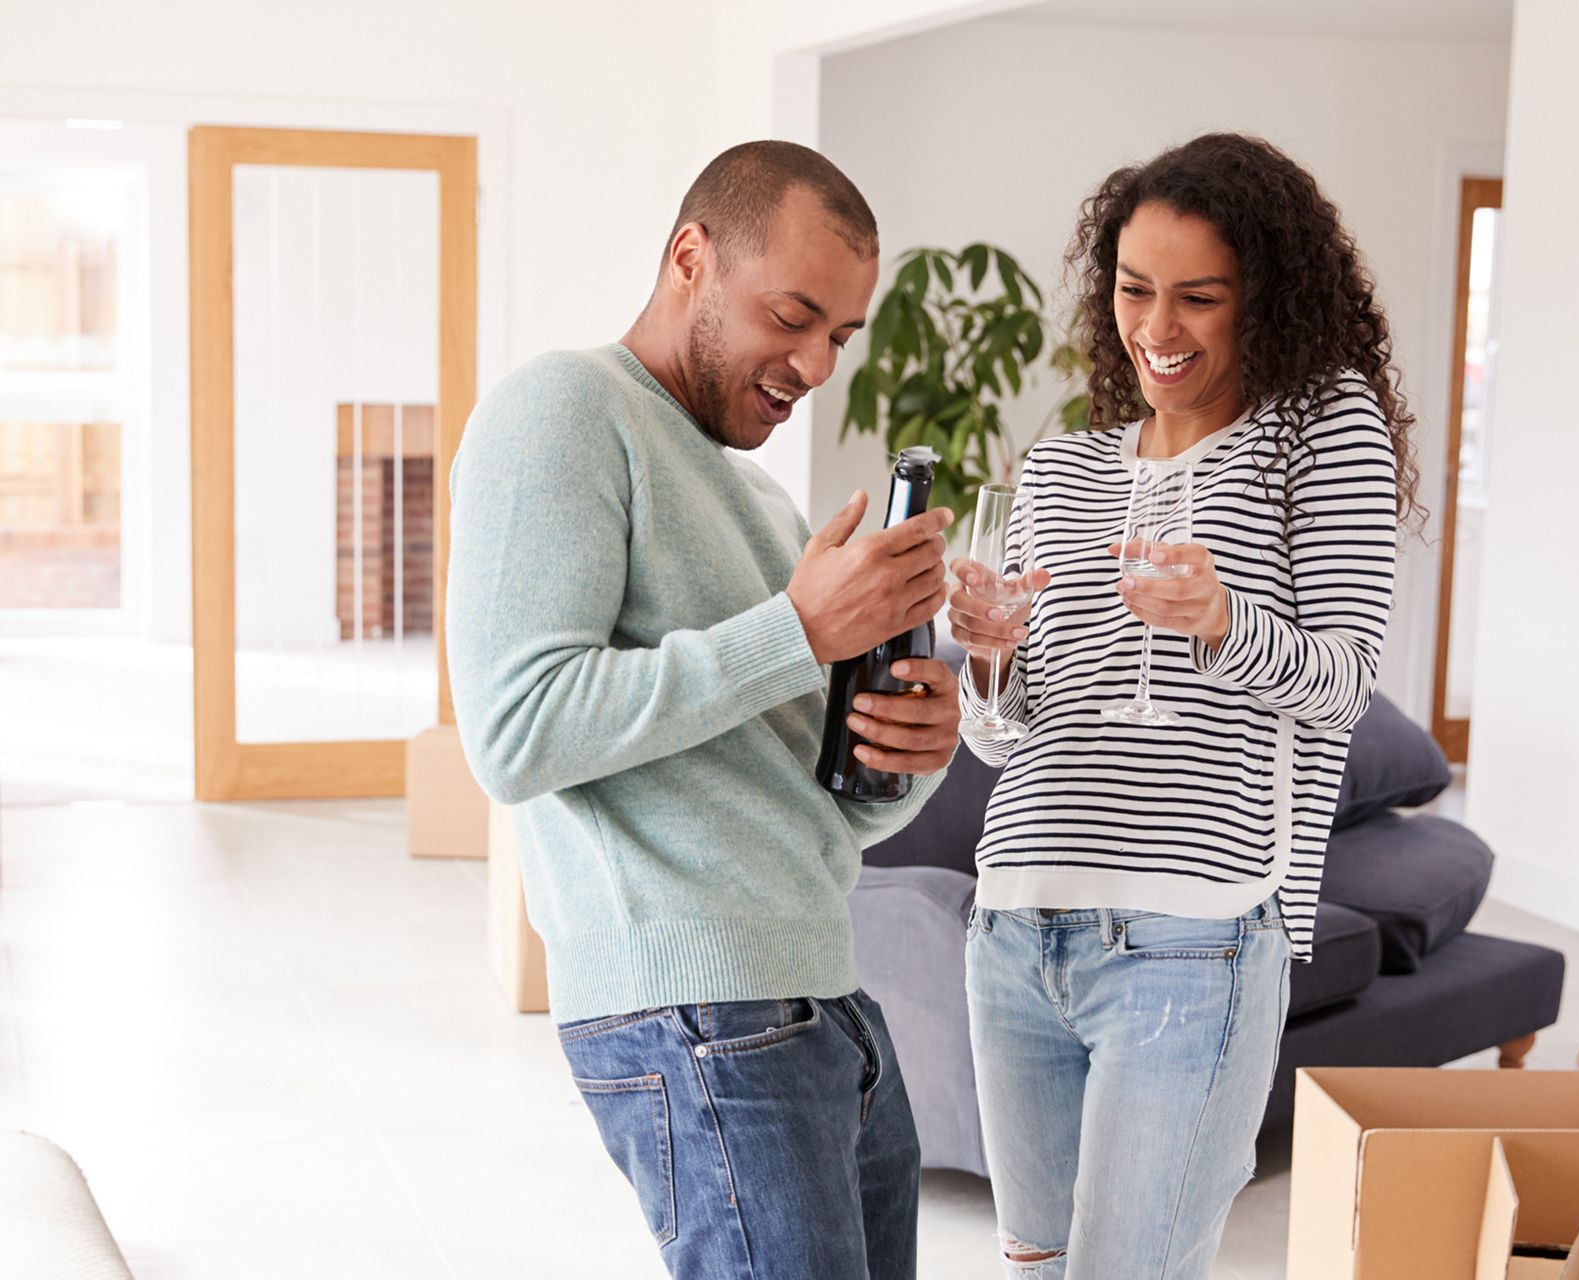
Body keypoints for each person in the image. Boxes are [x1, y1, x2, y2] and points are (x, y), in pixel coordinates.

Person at [446, 140, 960, 1280]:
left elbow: (808, 799)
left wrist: (908, 751)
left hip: (826, 995)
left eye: (842, 334)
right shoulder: (562, 411)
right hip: (701, 1010)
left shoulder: (761, 496)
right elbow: (516, 729)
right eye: (793, 314)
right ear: (691, 257)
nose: (817, 362)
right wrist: (797, 630)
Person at [947, 132, 1422, 1279]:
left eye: (1199, 297)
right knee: (1038, 1266)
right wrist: (992, 659)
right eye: (1134, 289)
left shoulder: (1324, 428)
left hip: (1192, 935)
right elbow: (1003, 740)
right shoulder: (1060, 468)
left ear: (1266, 297)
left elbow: (1344, 679)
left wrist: (1220, 622)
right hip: (1013, 921)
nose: (1158, 328)